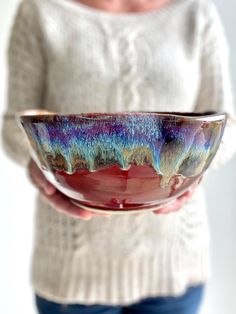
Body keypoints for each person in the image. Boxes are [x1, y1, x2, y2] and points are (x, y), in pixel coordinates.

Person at [2, 0, 236, 313]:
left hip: (174, 263)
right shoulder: (41, 11)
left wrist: (194, 164)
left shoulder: (196, 13)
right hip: (73, 274)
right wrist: (38, 165)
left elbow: (226, 126)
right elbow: (14, 125)